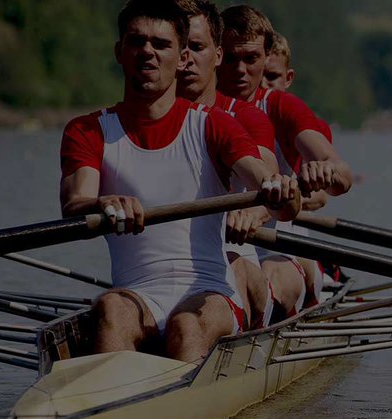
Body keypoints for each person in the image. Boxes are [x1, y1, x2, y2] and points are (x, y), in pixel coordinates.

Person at [59, 0, 299, 363]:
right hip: (136, 296)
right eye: (137, 42)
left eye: (161, 44)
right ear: (119, 52)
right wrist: (101, 203)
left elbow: (269, 188)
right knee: (110, 307)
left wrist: (280, 191)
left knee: (186, 325)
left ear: (182, 56)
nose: (148, 53)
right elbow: (76, 204)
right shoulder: (88, 130)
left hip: (211, 293)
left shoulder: (212, 125)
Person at [217, 5, 352, 320]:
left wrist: (325, 171)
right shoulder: (195, 110)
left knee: (267, 276)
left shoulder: (280, 107)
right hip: (209, 252)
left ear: (264, 60)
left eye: (250, 59)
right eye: (232, 58)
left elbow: (342, 175)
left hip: (275, 247)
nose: (240, 70)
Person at [175, 0, 277, 329]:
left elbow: (269, 181)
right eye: (182, 47)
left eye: (197, 47)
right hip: (168, 266)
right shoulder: (144, 121)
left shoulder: (246, 118)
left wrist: (255, 211)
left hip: (236, 254)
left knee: (236, 267)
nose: (188, 57)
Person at [262, 31, 343, 295]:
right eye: (258, 73)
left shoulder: (309, 128)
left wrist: (268, 205)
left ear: (289, 79)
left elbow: (320, 198)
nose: (263, 83)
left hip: (287, 241)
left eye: (272, 76)